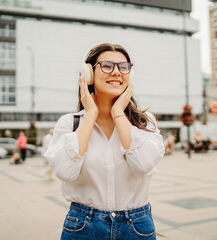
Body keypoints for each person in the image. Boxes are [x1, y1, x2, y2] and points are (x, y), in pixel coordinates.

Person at [45, 43, 165, 240]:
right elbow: (65, 172)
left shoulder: (145, 121)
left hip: (137, 227)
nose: (116, 72)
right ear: (88, 73)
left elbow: (142, 165)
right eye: (107, 65)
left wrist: (118, 113)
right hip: (83, 226)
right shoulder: (70, 123)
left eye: (123, 66)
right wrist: (91, 114)